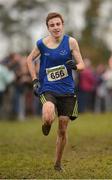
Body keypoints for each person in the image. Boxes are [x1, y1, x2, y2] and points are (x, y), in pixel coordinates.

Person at [27, 12, 85, 171]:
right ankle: (46, 123)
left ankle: (58, 163)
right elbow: (29, 59)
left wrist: (75, 66)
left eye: (58, 24)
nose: (55, 27)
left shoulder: (71, 42)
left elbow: (82, 65)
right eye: (52, 25)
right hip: (48, 88)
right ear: (48, 28)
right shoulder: (41, 44)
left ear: (62, 25)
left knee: (62, 128)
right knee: (48, 112)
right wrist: (34, 80)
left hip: (67, 90)